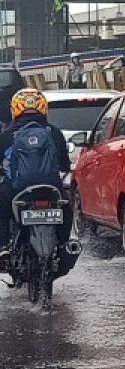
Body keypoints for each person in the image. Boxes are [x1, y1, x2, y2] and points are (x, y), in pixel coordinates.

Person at [0, 89, 72, 267]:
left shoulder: (6, 135)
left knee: (2, 211)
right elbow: (64, 165)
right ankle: (63, 247)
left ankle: (3, 248)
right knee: (67, 209)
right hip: (51, 187)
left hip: (16, 189)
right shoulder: (54, 132)